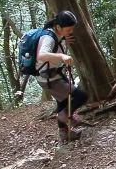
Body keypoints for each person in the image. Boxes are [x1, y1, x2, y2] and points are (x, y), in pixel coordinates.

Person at [36, 10, 89, 142]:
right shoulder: (49, 37)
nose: (70, 31)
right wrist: (61, 55)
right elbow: (42, 55)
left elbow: (58, 42)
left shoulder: (58, 34)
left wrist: (64, 38)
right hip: (48, 78)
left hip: (54, 74)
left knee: (63, 101)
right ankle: (64, 116)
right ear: (58, 27)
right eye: (68, 29)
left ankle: (64, 133)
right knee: (81, 96)